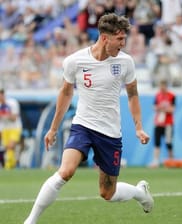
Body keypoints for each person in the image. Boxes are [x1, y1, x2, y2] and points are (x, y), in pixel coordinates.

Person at [24, 13, 154, 224]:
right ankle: (30, 220)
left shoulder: (125, 62)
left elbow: (133, 94)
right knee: (65, 171)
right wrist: (53, 128)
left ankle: (140, 193)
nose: (124, 43)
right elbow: (65, 93)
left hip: (110, 132)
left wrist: (138, 127)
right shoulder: (75, 61)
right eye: (119, 39)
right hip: (82, 125)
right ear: (105, 38)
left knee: (107, 193)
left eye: (124, 38)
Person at [149, 79, 175, 168]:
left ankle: (171, 161)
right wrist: (161, 108)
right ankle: (155, 161)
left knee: (168, 142)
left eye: (163, 86)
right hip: (158, 123)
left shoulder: (171, 96)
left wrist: (163, 109)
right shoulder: (158, 96)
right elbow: (154, 107)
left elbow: (172, 109)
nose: (161, 88)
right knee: (157, 142)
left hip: (168, 124)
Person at [0, 89, 22, 169]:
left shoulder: (12, 103)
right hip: (4, 129)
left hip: (15, 128)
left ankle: (8, 166)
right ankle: (11, 165)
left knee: (10, 146)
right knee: (7, 148)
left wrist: (4, 115)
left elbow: (14, 118)